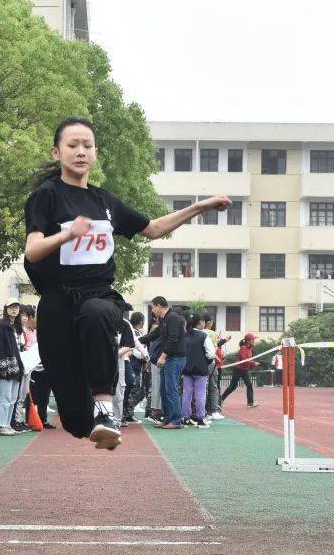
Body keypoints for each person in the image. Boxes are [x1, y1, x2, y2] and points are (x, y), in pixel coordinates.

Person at [24, 117, 230, 449]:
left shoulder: (104, 202)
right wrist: (67, 235)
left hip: (98, 295)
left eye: (87, 146)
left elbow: (154, 228)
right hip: (58, 302)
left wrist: (201, 206)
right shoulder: (46, 197)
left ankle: (106, 410)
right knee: (75, 420)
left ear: (96, 153)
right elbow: (33, 251)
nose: (80, 152)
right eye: (72, 145)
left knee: (97, 313)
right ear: (56, 151)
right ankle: (91, 422)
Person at [146, 299, 186, 429]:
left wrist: (163, 356)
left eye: (152, 307)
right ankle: (168, 418)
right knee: (164, 390)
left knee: (171, 390)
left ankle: (175, 420)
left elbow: (173, 338)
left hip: (174, 359)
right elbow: (153, 335)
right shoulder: (164, 320)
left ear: (158, 306)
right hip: (169, 359)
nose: (152, 310)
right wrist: (136, 341)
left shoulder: (173, 318)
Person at [0, 311, 24, 436]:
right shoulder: (2, 326)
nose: (14, 310)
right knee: (4, 397)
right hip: (6, 366)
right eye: (11, 307)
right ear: (6, 309)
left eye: (16, 307)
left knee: (13, 398)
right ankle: (2, 425)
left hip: (17, 366)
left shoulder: (16, 327)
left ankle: (8, 424)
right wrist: (1, 368)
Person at [182, 313, 215, 428]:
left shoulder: (185, 335)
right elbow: (211, 354)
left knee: (187, 394)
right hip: (201, 369)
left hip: (186, 369)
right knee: (200, 394)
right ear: (200, 322)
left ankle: (186, 419)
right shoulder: (204, 335)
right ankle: (200, 419)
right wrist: (205, 361)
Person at [221, 333, 258, 407]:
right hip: (238, 369)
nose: (254, 341)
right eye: (253, 340)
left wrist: (251, 363)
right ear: (248, 341)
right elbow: (244, 359)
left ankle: (250, 403)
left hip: (245, 370)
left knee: (249, 385)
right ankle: (220, 400)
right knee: (233, 386)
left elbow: (248, 359)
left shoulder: (250, 348)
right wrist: (253, 363)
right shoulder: (243, 348)